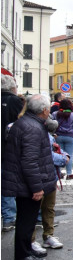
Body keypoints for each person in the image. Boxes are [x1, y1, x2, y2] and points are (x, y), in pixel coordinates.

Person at [1, 94, 58, 260]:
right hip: (26, 184)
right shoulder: (32, 127)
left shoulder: (27, 123)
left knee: (28, 220)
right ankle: (23, 255)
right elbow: (29, 161)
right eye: (48, 108)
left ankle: (27, 250)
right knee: (26, 221)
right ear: (44, 110)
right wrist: (37, 188)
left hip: (23, 182)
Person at [30, 117, 67, 252]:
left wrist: (64, 155)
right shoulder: (33, 132)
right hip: (38, 175)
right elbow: (47, 155)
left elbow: (56, 150)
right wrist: (63, 158)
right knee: (33, 210)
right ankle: (31, 240)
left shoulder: (48, 135)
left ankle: (48, 236)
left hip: (50, 176)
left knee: (49, 208)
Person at [1, 74, 24, 231]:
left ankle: (7, 217)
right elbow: (21, 122)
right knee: (9, 182)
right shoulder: (14, 101)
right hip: (10, 147)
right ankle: (10, 217)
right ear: (12, 88)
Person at [52, 99, 73, 180]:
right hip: (70, 136)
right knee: (70, 155)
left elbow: (52, 126)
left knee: (58, 154)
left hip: (58, 136)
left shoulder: (55, 114)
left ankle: (59, 173)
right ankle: (69, 173)